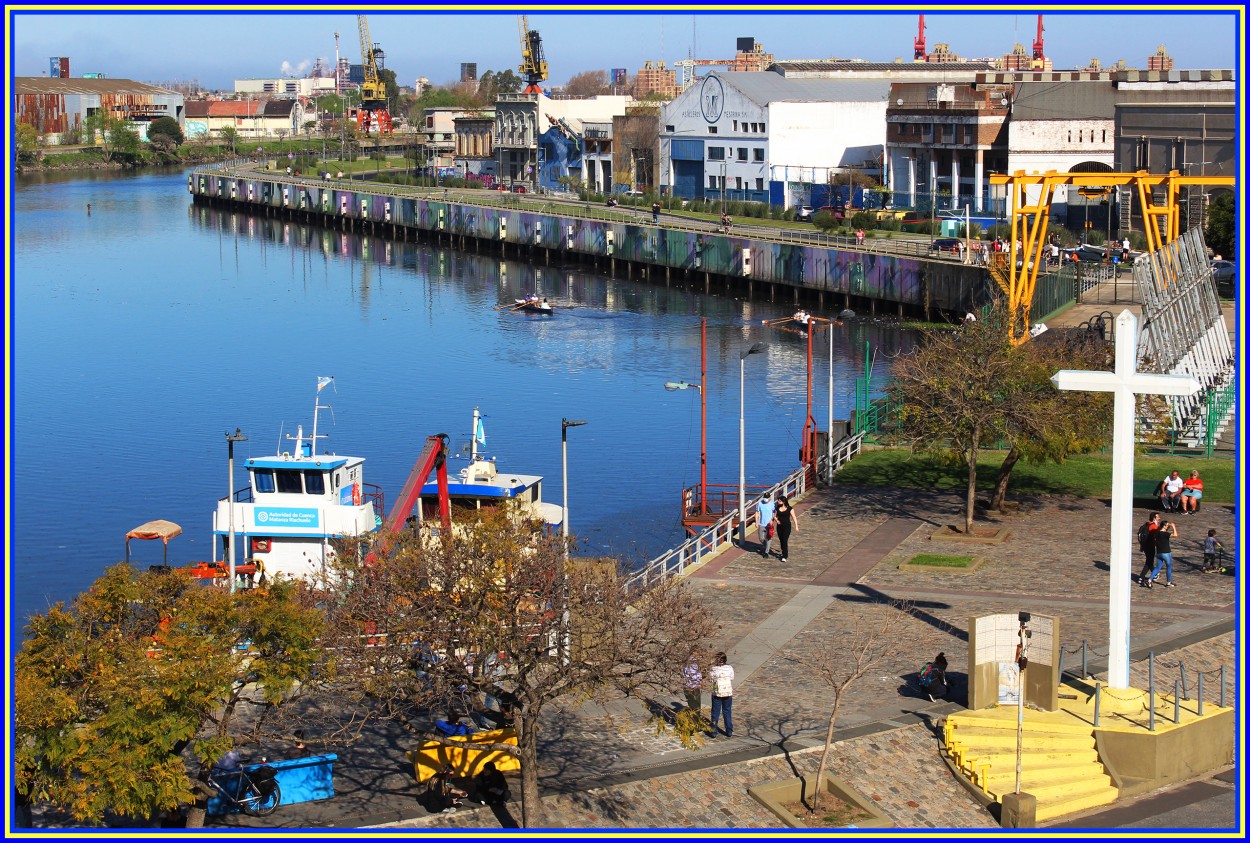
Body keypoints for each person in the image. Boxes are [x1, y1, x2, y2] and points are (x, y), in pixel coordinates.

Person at [707, 652, 734, 738]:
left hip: (717, 693)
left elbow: (711, 680)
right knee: (727, 711)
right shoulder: (729, 668)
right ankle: (729, 730)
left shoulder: (713, 669)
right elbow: (732, 678)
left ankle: (714, 731)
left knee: (715, 712)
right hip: (727, 693)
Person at [1147, 520, 1178, 588]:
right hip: (1166, 553)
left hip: (1159, 553)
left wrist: (1168, 525)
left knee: (1158, 567)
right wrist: (1173, 527)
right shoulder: (1165, 534)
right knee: (1169, 567)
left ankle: (1150, 580)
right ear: (1164, 526)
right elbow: (1175, 535)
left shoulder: (1157, 533)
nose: (1167, 527)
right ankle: (1168, 582)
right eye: (1167, 525)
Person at [1137, 513, 1161, 587]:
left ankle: (1154, 574)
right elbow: (1158, 535)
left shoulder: (1145, 525)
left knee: (1149, 561)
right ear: (1154, 518)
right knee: (1149, 562)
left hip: (1145, 546)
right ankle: (1141, 577)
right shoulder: (1153, 526)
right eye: (1158, 517)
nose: (1159, 518)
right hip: (1150, 546)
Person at [775, 494, 798, 564]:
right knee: (781, 540)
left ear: (783, 502)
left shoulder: (790, 509)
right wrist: (777, 520)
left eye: (779, 501)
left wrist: (796, 526)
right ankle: (783, 552)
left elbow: (794, 517)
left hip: (787, 526)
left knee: (785, 540)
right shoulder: (777, 508)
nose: (778, 502)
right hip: (779, 527)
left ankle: (785, 556)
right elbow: (774, 516)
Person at [755, 492, 776, 557]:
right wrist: (756, 522)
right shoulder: (760, 504)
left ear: (769, 498)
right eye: (765, 497)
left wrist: (772, 520)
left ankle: (766, 552)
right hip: (761, 523)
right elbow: (757, 513)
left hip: (769, 524)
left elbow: (775, 513)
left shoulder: (772, 504)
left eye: (767, 498)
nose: (766, 499)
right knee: (761, 538)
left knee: (768, 538)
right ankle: (766, 546)